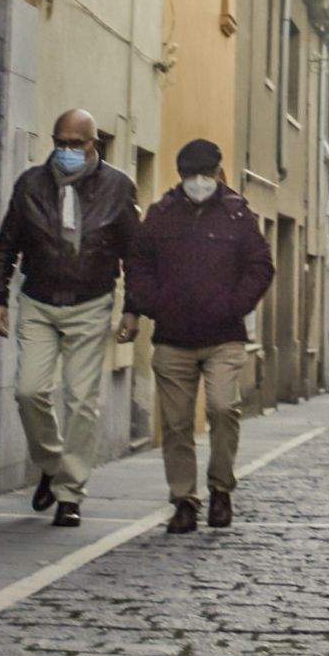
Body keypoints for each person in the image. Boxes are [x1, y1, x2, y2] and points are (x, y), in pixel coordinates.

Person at [0, 109, 139, 527]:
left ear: (95, 144)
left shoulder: (119, 188)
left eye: (77, 143)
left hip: (91, 303)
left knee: (81, 400)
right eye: (61, 142)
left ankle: (69, 493)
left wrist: (134, 310)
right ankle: (52, 465)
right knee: (29, 391)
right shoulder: (31, 184)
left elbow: (135, 255)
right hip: (38, 301)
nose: (68, 151)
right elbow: (6, 244)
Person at [122, 138, 274, 535]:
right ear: (181, 175)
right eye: (192, 175)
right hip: (173, 338)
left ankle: (221, 489)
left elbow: (260, 266)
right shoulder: (161, 215)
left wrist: (235, 304)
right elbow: (138, 263)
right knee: (175, 424)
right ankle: (184, 500)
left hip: (224, 336)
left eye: (206, 174)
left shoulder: (237, 215)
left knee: (224, 409)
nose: (199, 182)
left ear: (218, 172)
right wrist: (154, 304)